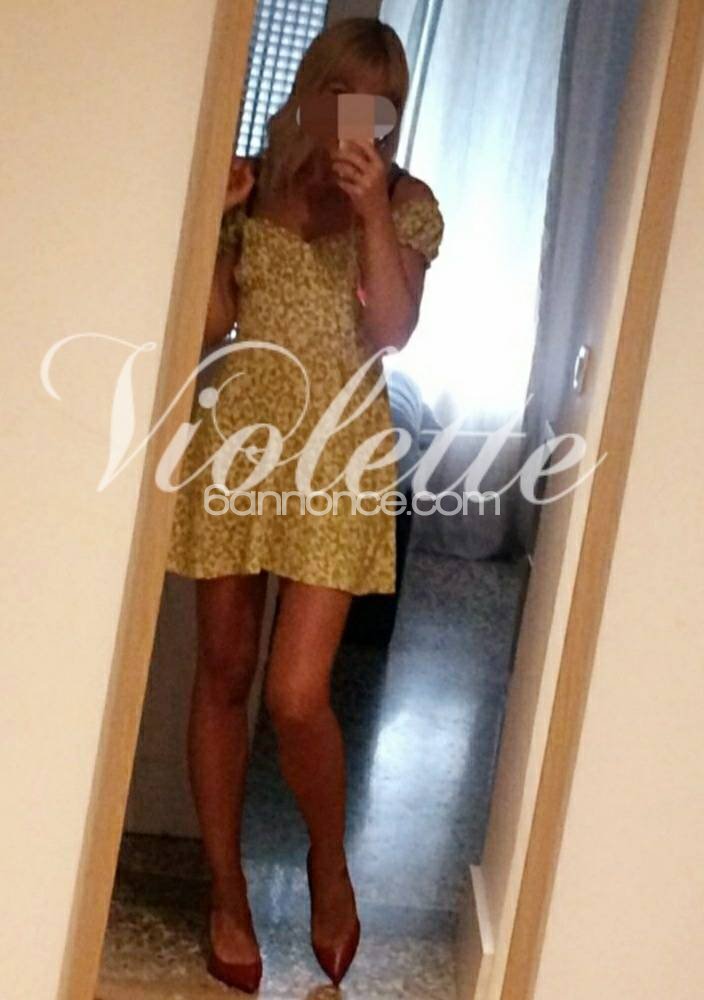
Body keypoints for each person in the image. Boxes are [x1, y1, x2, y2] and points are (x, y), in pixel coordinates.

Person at [165, 16, 444, 992]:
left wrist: (370, 212)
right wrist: (215, 223)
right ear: (312, 91)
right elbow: (208, 326)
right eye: (342, 97)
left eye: (380, 107)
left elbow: (392, 330)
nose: (356, 121)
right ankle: (227, 891)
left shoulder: (406, 203)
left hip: (339, 458)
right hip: (238, 447)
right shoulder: (252, 182)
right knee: (222, 674)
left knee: (293, 694)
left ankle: (329, 861)